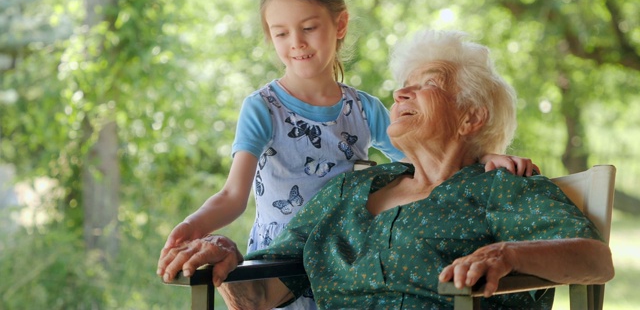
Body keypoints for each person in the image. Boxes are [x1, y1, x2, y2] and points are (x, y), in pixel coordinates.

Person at [158, 29, 614, 309]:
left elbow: (595, 260)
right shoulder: (348, 191)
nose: (400, 94)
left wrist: (509, 255)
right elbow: (260, 296)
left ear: (470, 117)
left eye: (427, 85)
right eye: (401, 86)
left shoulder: (500, 188)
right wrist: (226, 259)